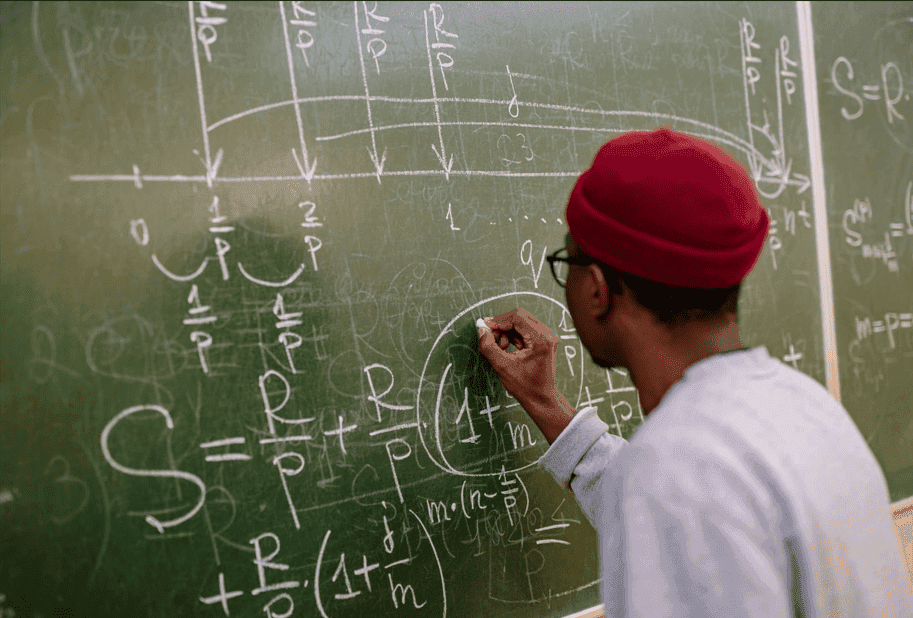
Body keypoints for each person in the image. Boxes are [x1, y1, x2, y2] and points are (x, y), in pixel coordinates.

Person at [477, 128, 912, 617]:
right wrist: (545, 402)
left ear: (597, 289)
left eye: (569, 262)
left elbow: (679, 492)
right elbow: (694, 497)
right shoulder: (807, 409)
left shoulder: (676, 472)